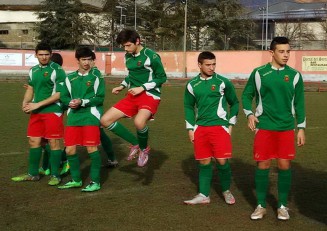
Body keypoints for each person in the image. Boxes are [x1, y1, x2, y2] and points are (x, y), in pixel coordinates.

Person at [241, 37, 306, 220]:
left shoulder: (294, 75)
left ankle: (282, 206)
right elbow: (247, 96)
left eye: (288, 52)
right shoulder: (259, 73)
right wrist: (250, 114)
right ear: (272, 52)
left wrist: (301, 128)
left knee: (284, 165)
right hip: (265, 127)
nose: (286, 55)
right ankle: (261, 205)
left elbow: (300, 104)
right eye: (281, 51)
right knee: (263, 164)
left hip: (286, 127)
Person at [101, 29, 167, 167]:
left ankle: (144, 149)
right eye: (124, 46)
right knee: (105, 120)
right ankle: (135, 143)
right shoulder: (128, 56)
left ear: (137, 41)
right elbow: (132, 75)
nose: (126, 49)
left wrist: (142, 88)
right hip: (132, 95)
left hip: (149, 95)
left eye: (128, 45)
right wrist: (122, 85)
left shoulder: (151, 56)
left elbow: (162, 77)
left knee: (139, 122)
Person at [183, 51, 239, 205]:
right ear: (199, 65)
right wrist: (190, 128)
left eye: (214, 64)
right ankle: (203, 194)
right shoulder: (192, 85)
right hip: (200, 128)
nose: (212, 67)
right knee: (204, 162)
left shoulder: (223, 82)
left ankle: (226, 190)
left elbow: (234, 103)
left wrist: (231, 124)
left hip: (219, 127)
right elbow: (188, 106)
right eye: (208, 65)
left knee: (222, 161)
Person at [11, 42, 66, 186]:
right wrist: (25, 102)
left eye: (47, 54)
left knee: (53, 142)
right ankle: (33, 174)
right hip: (36, 111)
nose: (44, 57)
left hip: (53, 111)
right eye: (41, 54)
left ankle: (55, 175)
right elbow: (30, 88)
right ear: (36, 55)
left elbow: (59, 94)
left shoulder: (57, 70)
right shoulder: (33, 70)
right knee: (34, 141)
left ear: (51, 55)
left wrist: (38, 104)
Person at [58, 47, 105, 192]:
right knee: (70, 150)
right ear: (77, 60)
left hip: (90, 116)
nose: (86, 62)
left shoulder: (97, 77)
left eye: (89, 59)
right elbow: (63, 95)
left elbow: (99, 98)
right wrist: (69, 102)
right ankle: (76, 180)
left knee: (91, 148)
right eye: (83, 59)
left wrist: (82, 102)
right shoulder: (69, 77)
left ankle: (95, 181)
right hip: (73, 117)